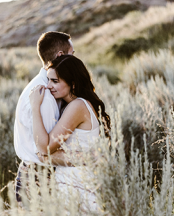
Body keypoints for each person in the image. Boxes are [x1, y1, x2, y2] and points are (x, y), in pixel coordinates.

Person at [29, 55, 111, 210]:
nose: (48, 86)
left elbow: (44, 147)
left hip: (78, 185)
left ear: (72, 84)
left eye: (55, 81)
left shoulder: (78, 106)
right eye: (48, 80)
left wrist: (35, 107)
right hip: (76, 182)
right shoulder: (75, 105)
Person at [14, 31, 75, 202]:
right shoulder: (45, 96)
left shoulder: (44, 87)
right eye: (73, 54)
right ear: (60, 55)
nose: (76, 59)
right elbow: (48, 150)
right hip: (39, 182)